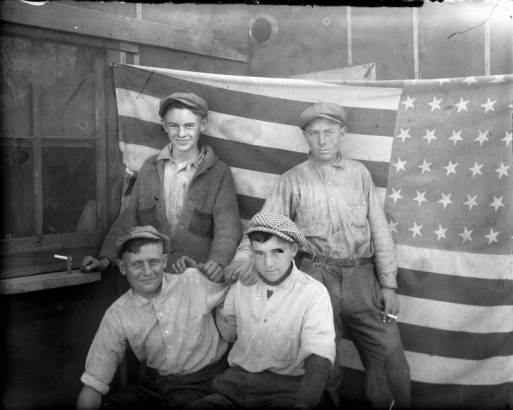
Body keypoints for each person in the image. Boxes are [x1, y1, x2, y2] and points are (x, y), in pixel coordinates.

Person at [225, 103, 411, 409]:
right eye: (314, 133)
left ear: (342, 134)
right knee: (321, 363)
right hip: (316, 276)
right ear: (305, 137)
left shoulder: (359, 174)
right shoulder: (292, 179)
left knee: (390, 358)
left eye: (329, 132)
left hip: (362, 280)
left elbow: (380, 232)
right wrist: (243, 259)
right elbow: (263, 225)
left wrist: (388, 284)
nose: (322, 140)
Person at [80, 92, 242, 279]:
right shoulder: (150, 167)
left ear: (202, 125)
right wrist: (105, 259)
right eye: (174, 125)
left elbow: (228, 229)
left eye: (189, 126)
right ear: (164, 125)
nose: (181, 134)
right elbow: (128, 220)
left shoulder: (219, 172)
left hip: (197, 280)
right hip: (154, 280)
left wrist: (218, 262)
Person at [186, 211, 336, 410]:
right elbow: (225, 334)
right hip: (234, 387)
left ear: (294, 249)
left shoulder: (313, 294)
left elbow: (319, 355)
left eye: (278, 251)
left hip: (285, 392)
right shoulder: (242, 283)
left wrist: (305, 403)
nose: (268, 264)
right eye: (259, 253)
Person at [76, 225, 230, 410]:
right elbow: (94, 383)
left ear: (164, 261)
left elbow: (235, 293)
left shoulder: (191, 281)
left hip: (207, 382)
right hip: (160, 386)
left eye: (154, 262)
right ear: (122, 267)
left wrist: (218, 275)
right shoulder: (118, 314)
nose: (147, 272)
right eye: (136, 264)